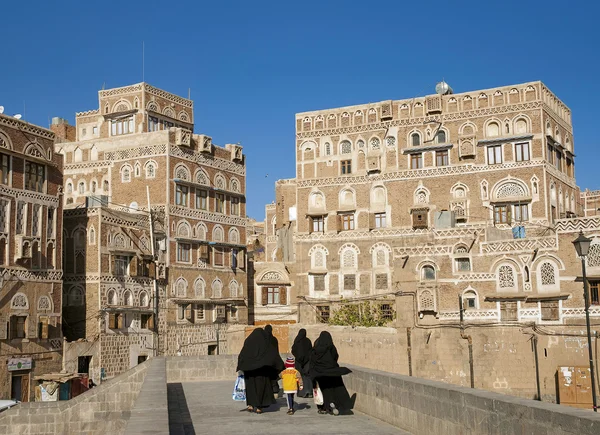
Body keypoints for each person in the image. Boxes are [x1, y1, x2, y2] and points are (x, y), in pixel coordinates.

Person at [237, 328, 285, 414]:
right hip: (262, 372)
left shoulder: (249, 341)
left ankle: (250, 405)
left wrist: (241, 367)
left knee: (251, 389)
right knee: (261, 389)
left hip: (249, 372)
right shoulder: (265, 343)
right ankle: (259, 407)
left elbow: (242, 355)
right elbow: (273, 355)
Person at [309, 331, 352, 415]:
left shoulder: (316, 348)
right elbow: (335, 356)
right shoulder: (331, 347)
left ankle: (325, 407)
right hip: (332, 371)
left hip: (320, 372)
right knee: (334, 389)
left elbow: (312, 360)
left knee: (324, 390)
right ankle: (335, 404)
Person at [291, 328, 313, 398]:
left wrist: (298, 356)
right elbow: (310, 350)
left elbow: (293, 350)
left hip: (298, 362)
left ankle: (301, 392)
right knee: (307, 376)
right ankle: (309, 392)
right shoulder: (308, 341)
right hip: (307, 361)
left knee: (299, 376)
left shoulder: (297, 341)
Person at [264, 324, 280, 397]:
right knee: (273, 377)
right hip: (273, 360)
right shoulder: (274, 339)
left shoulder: (263, 339)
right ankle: (275, 391)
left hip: (265, 361)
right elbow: (277, 350)